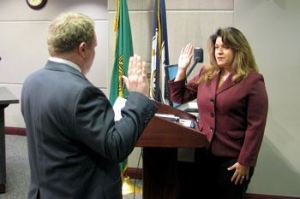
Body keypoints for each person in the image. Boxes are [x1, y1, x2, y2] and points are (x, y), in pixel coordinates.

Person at [21, 12, 157, 199]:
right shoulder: (82, 93)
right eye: (94, 47)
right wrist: (138, 97)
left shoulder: (31, 82)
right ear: (83, 48)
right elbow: (116, 146)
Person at [169, 27, 268, 199]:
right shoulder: (207, 73)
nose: (219, 52)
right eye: (216, 47)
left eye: (225, 47)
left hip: (233, 161)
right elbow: (179, 96)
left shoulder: (252, 80)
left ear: (238, 49)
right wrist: (182, 69)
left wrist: (245, 162)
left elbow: (256, 126)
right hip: (204, 154)